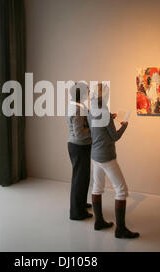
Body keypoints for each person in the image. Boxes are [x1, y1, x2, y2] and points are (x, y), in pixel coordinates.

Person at [88, 83, 140, 239]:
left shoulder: (91, 110)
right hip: (106, 156)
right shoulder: (104, 111)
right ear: (103, 95)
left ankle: (99, 222)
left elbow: (97, 129)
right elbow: (114, 137)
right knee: (121, 190)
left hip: (95, 155)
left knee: (97, 187)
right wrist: (124, 126)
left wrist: (110, 118)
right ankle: (121, 229)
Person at [66, 82, 93, 220]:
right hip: (79, 146)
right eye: (87, 91)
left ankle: (80, 204)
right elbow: (80, 133)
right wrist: (94, 130)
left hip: (79, 146)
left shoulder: (76, 106)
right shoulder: (77, 109)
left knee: (82, 178)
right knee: (80, 179)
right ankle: (77, 212)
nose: (88, 93)